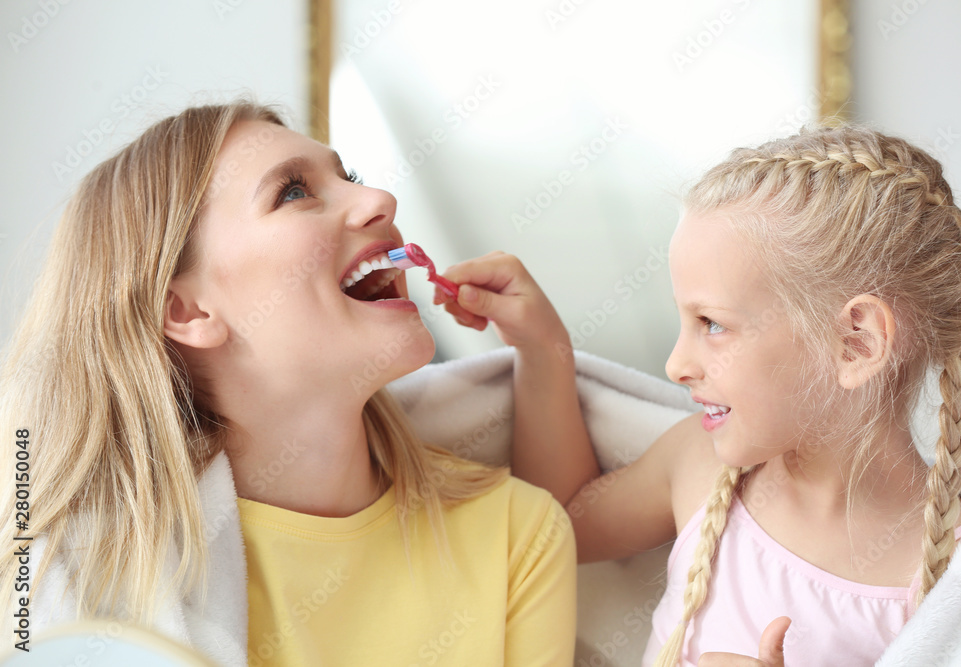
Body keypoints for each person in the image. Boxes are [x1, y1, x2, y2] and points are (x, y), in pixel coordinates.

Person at [0, 99, 597, 666]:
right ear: (188, 311)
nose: (379, 198)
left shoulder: (517, 535)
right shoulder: (73, 579)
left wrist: (546, 353)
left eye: (352, 174)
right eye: (292, 192)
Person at [517, 125, 961, 666]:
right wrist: (541, 349)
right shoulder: (699, 467)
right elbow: (547, 528)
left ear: (855, 343)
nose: (677, 365)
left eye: (712, 324)